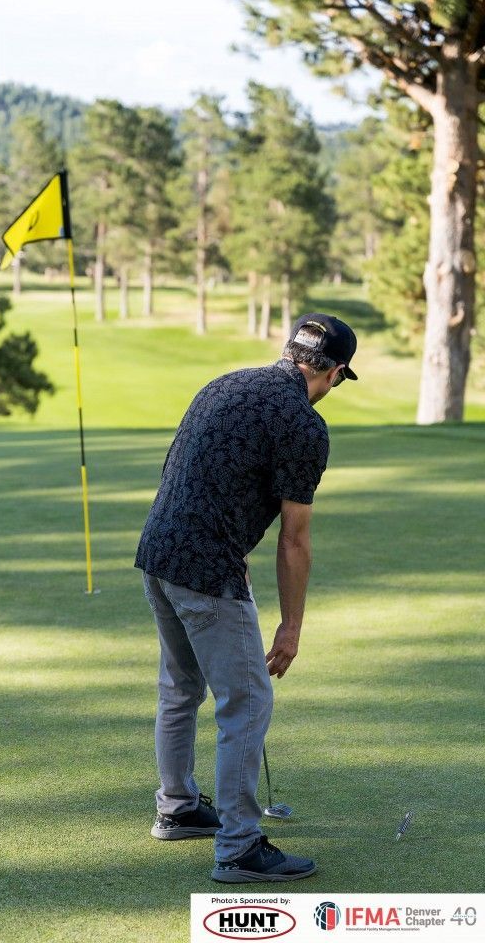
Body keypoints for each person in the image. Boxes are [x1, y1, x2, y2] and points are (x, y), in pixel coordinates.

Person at [135, 313, 358, 883]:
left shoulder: (225, 383)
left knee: (180, 688)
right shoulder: (304, 424)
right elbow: (295, 538)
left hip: (158, 553)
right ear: (333, 373)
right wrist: (291, 628)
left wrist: (230, 548)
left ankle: (179, 807)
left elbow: (184, 473)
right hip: (205, 567)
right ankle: (237, 846)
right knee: (249, 702)